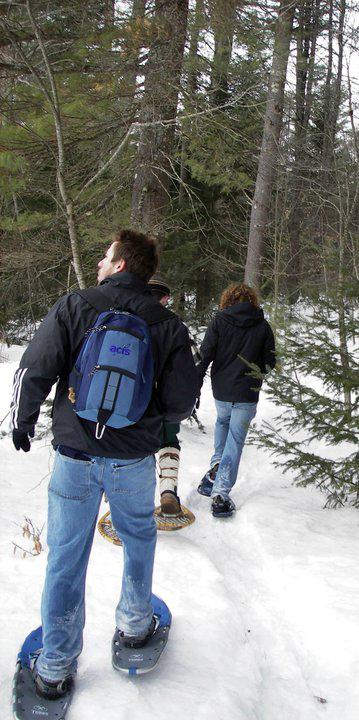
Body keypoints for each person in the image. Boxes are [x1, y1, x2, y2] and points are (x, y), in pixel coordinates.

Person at [10, 230, 198, 700]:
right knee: (137, 537)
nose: (98, 260)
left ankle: (54, 667)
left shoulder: (76, 306)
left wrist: (24, 420)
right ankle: (135, 627)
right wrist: (147, 418)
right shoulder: (168, 325)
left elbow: (35, 367)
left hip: (74, 455)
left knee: (66, 557)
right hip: (133, 459)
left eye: (105, 255)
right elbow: (181, 402)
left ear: (119, 265)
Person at [197, 282, 276, 518]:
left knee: (223, 423)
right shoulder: (262, 326)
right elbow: (270, 361)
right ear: (252, 301)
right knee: (235, 439)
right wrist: (256, 372)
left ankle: (216, 467)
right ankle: (220, 493)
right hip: (247, 392)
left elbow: (205, 354)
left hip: (222, 389)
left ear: (227, 301)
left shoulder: (219, 321)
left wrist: (196, 380)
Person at [147, 272, 201, 516]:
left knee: (134, 450)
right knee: (168, 442)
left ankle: (130, 505)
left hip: (134, 402)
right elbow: (195, 360)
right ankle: (168, 491)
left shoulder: (128, 321)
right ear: (165, 299)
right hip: (167, 401)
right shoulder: (176, 326)